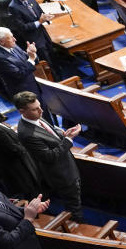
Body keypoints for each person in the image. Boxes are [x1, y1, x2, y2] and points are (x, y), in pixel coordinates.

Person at [14, 92, 83, 222]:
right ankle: (79, 229)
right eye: (35, 109)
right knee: (74, 205)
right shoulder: (27, 134)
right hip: (61, 174)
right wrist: (68, 139)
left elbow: (48, 131)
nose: (41, 110)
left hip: (67, 167)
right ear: (22, 111)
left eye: (39, 106)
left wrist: (62, 134)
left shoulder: (35, 116)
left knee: (75, 199)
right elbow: (50, 157)